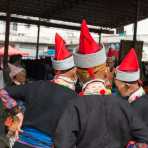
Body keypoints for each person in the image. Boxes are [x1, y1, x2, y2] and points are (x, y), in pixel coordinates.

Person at [55, 19, 148, 148]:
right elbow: (144, 136)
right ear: (105, 71)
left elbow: (62, 144)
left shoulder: (75, 105)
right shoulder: (122, 105)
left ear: (78, 75)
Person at [0, 33, 77, 148]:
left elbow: (3, 92)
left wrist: (18, 114)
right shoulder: (73, 97)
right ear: (73, 71)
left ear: (56, 71)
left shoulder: (37, 85)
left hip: (21, 144)